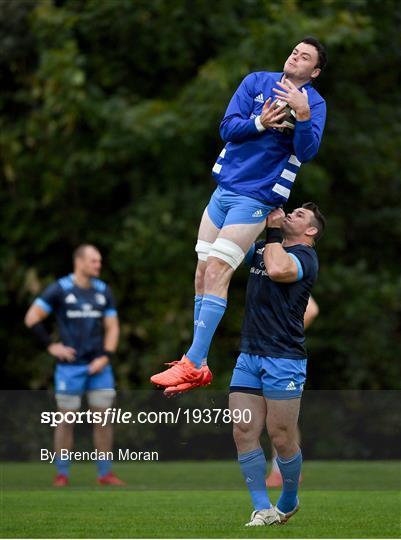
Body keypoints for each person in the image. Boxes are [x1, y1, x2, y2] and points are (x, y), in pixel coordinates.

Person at [151, 37, 327, 395]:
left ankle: (194, 361)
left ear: (315, 71)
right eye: (294, 50)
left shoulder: (315, 103)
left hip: (257, 197)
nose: (295, 56)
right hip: (223, 190)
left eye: (305, 56)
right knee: (202, 271)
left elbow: (306, 151)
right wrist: (260, 122)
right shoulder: (256, 82)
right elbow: (227, 128)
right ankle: (197, 365)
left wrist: (303, 115)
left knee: (218, 268)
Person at [229, 202, 325, 526]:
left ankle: (288, 500)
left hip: (284, 358)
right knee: (243, 430)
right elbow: (229, 253)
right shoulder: (263, 247)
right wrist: (254, 213)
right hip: (249, 354)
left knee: (281, 436)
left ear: (310, 231)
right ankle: (262, 508)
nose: (290, 214)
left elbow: (277, 269)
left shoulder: (306, 259)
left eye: (299, 215)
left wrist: (272, 229)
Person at [24, 244, 125, 487]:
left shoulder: (103, 291)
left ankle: (104, 474)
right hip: (70, 368)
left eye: (99, 260)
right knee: (65, 419)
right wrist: (52, 346)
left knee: (103, 419)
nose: (98, 265)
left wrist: (105, 357)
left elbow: (112, 327)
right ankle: (62, 474)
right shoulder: (59, 289)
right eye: (93, 260)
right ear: (79, 262)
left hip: (99, 366)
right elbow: (32, 318)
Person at [266, 295, 319, 488]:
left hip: (283, 357)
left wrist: (282, 337)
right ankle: (283, 470)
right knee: (280, 416)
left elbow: (311, 310)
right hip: (277, 355)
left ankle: (283, 471)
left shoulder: (286, 274)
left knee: (280, 415)